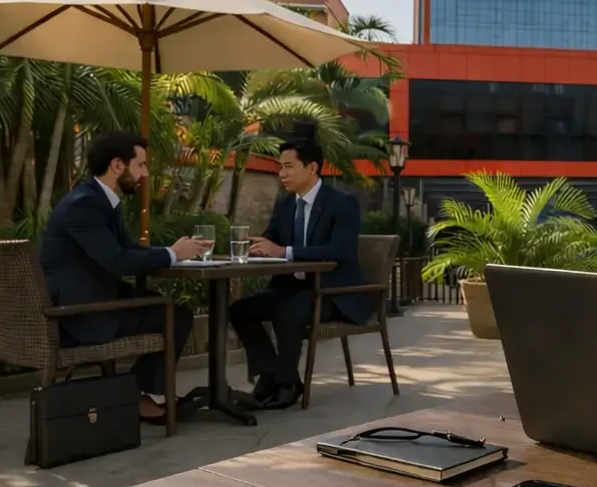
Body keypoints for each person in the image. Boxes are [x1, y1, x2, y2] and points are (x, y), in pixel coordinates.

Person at [39, 131, 206, 422]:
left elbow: (126, 250)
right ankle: (140, 397)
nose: (144, 174)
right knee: (175, 315)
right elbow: (116, 260)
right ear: (118, 165)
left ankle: (138, 394)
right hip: (79, 315)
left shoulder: (97, 198)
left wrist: (173, 250)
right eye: (140, 165)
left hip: (89, 299)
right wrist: (174, 254)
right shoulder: (84, 205)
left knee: (165, 306)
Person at [229, 137, 367, 410]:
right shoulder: (285, 205)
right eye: (280, 167)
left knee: (288, 312)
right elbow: (272, 240)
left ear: (312, 167)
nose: (282, 174)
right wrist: (258, 248)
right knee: (240, 310)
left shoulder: (342, 203)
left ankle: (287, 385)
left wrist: (284, 251)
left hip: (332, 291)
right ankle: (271, 375)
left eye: (288, 167)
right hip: (291, 286)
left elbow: (337, 252)